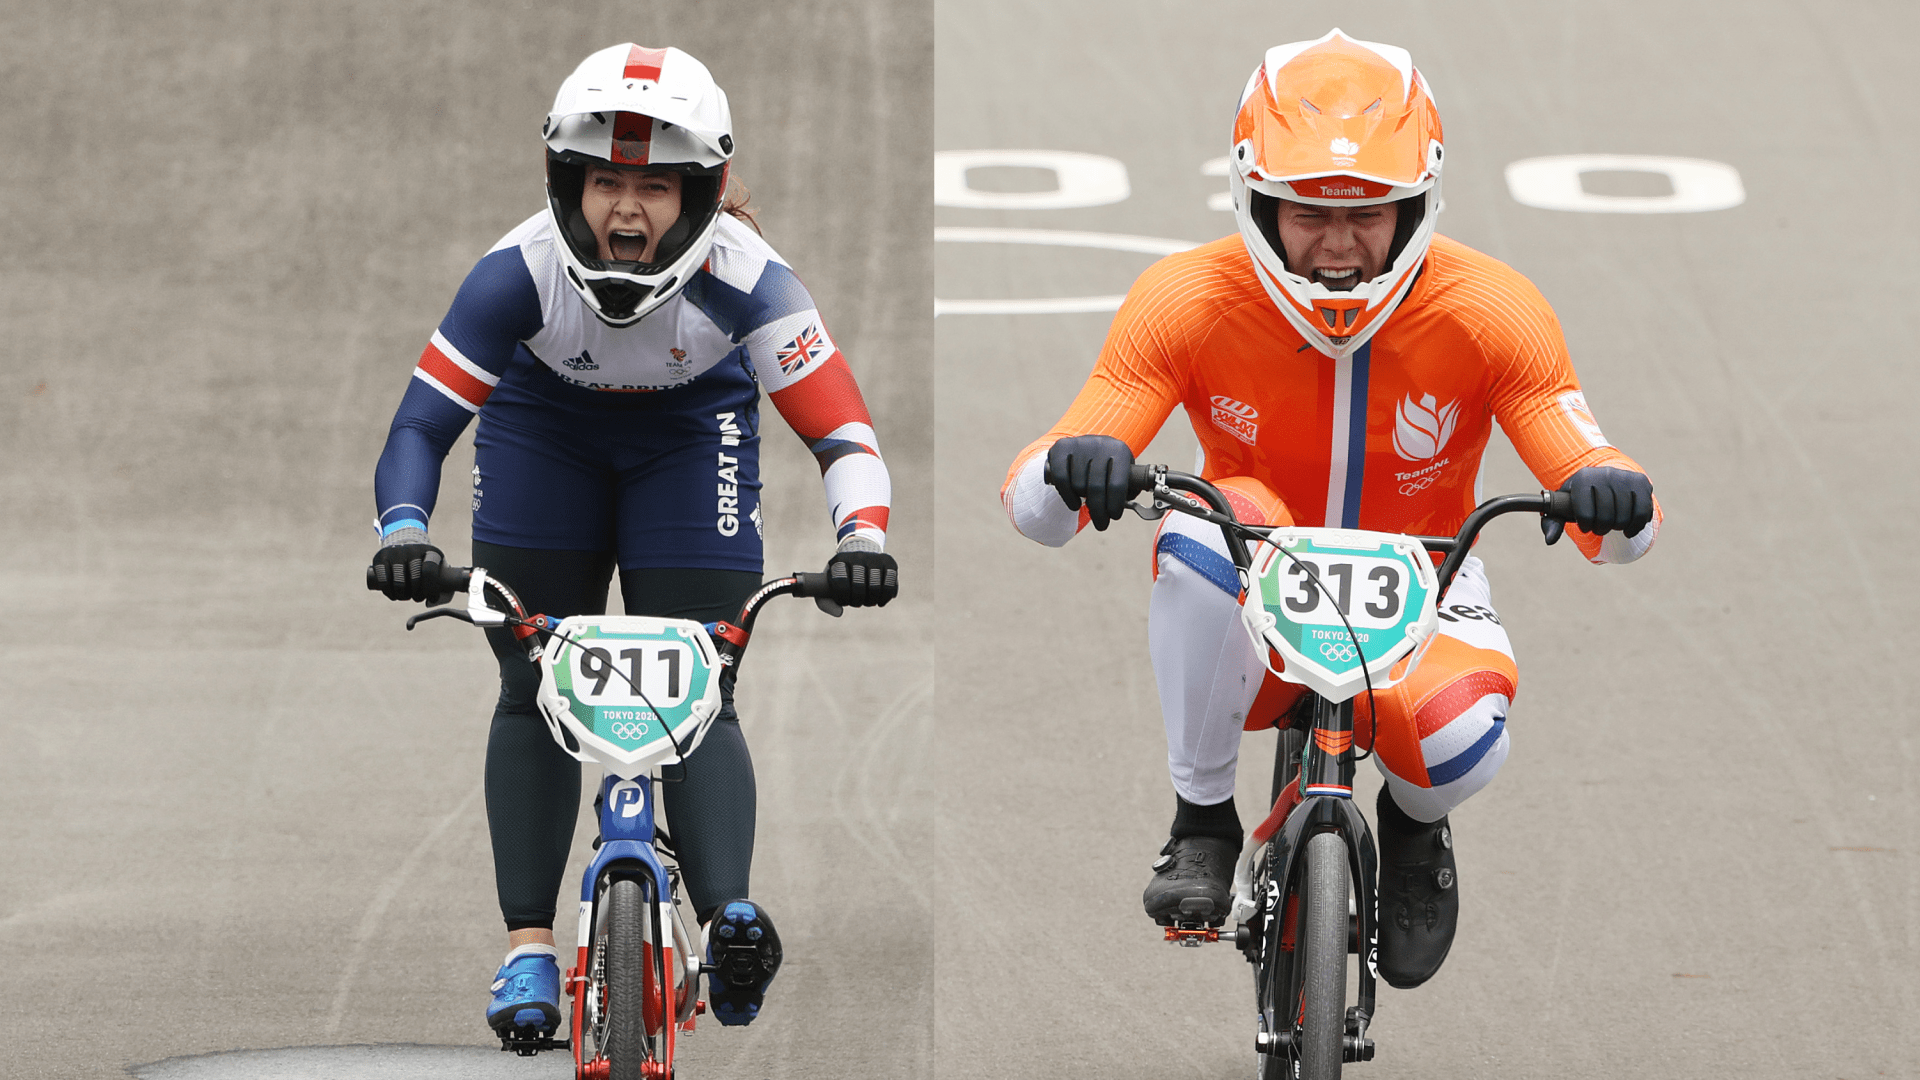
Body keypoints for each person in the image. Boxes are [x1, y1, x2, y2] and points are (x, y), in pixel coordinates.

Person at [1001, 28, 1658, 990]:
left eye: (1370, 214)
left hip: (1424, 574)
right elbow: (1033, 507)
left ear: (1419, 203)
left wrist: (1616, 493)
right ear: (1255, 198)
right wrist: (1071, 469)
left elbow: (1607, 496)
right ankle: (1201, 817)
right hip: (1251, 581)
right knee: (1200, 518)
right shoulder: (1182, 296)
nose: (1341, 244)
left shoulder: (1494, 307)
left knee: (1462, 752)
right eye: (1309, 213)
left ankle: (1415, 825)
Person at [368, 43, 897, 1037]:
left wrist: (862, 533)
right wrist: (403, 527)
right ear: (566, 183)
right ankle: (528, 950)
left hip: (691, 442)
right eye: (606, 179)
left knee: (696, 681)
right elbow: (419, 428)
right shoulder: (515, 273)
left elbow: (844, 434)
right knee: (533, 679)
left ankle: (726, 920)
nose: (625, 208)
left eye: (654, 185)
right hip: (543, 436)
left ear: (704, 193)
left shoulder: (751, 281)